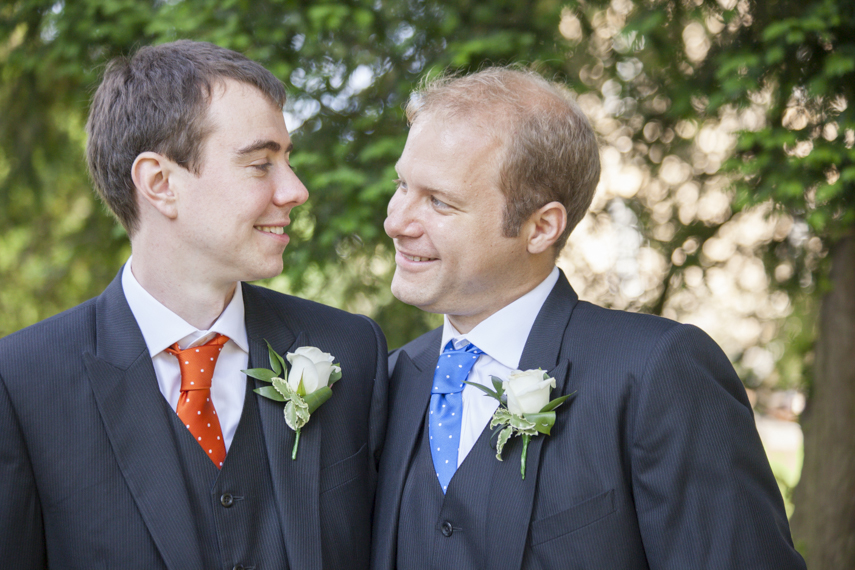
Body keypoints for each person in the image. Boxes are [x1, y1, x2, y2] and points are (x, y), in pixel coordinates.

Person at [371, 67, 805, 570]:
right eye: (403, 185)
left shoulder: (657, 371)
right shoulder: (390, 378)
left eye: (439, 202)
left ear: (541, 227)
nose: (396, 221)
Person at [0, 40, 387, 570]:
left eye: (287, 161)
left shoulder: (350, 351)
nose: (295, 190)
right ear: (160, 184)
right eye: (260, 164)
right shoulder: (23, 382)